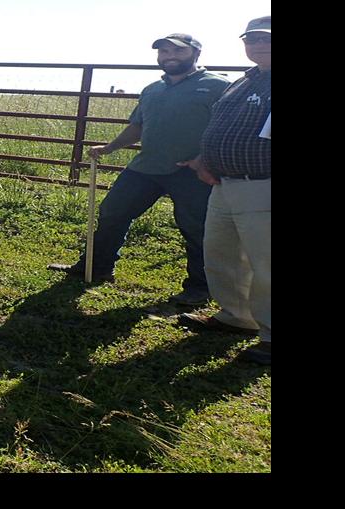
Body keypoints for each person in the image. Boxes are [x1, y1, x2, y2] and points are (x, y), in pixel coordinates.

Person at [46, 33, 230, 306]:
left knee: (195, 227)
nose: (169, 56)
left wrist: (204, 158)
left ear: (195, 54)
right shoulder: (152, 89)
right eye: (164, 51)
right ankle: (97, 267)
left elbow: (227, 127)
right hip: (147, 166)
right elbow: (138, 127)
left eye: (177, 52)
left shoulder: (218, 86)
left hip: (191, 170)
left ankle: (200, 288)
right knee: (112, 211)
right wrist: (110, 147)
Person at [177, 16, 271, 365]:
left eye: (267, 39)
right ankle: (236, 317)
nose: (258, 45)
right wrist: (205, 158)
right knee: (222, 255)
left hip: (262, 184)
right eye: (252, 39)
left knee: (267, 263)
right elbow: (224, 126)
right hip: (225, 183)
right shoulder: (245, 81)